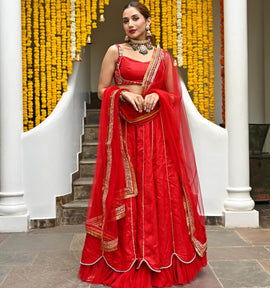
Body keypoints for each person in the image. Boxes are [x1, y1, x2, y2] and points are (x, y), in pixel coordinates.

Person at [78, 2, 207, 287]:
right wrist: (122, 93)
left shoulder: (163, 57)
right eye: (125, 20)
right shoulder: (115, 51)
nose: (130, 24)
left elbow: (176, 97)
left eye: (135, 18)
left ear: (148, 21)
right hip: (126, 134)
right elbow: (102, 90)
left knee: (161, 189)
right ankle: (129, 258)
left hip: (157, 134)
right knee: (128, 194)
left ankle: (162, 259)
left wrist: (159, 96)